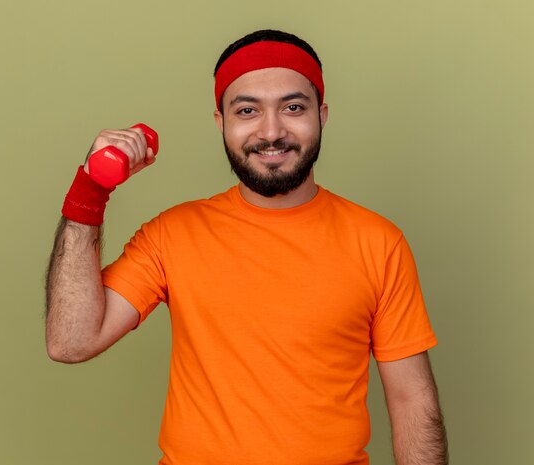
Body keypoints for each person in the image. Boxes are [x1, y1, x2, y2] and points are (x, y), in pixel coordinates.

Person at [45, 29, 448, 465]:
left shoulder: (378, 242)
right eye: (247, 110)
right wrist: (89, 190)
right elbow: (70, 342)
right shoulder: (173, 234)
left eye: (293, 107)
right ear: (222, 122)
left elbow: (412, 402)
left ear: (322, 115)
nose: (271, 131)